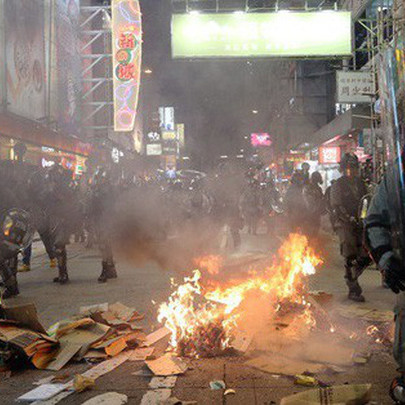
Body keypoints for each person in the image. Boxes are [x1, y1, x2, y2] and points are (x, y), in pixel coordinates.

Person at [330, 153, 371, 302]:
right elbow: (336, 206)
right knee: (350, 254)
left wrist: (363, 217)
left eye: (354, 168)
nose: (352, 171)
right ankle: (353, 287)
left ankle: (354, 275)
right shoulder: (338, 185)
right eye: (349, 168)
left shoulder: (361, 184)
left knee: (366, 254)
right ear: (343, 169)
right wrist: (349, 218)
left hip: (360, 222)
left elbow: (366, 201)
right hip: (344, 223)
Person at [88, 167, 117, 283]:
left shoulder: (107, 190)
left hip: (105, 219)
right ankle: (112, 270)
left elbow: (109, 206)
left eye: (100, 178)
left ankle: (105, 271)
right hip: (99, 219)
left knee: (104, 245)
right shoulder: (97, 189)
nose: (98, 180)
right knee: (105, 245)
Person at [0, 209, 33, 298]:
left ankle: (11, 286)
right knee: (10, 256)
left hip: (10, 224)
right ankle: (11, 283)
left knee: (4, 257)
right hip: (12, 225)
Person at [303, 171, 326, 239]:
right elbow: (309, 201)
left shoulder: (318, 188)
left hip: (316, 214)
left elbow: (321, 199)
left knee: (315, 232)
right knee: (309, 233)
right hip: (309, 214)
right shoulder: (308, 188)